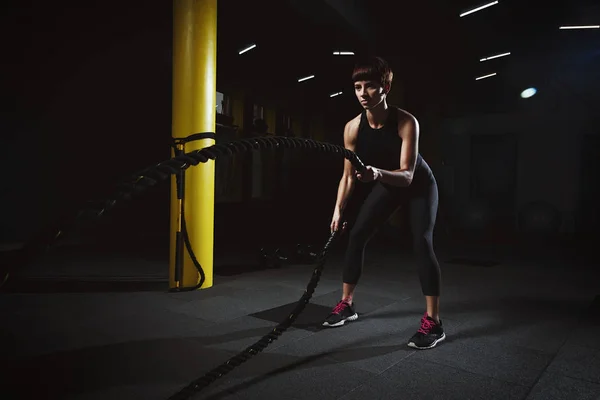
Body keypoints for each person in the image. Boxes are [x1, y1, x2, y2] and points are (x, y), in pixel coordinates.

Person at [322, 56, 445, 350]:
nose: (363, 93)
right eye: (357, 87)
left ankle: (434, 323)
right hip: (388, 184)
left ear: (386, 87)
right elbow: (348, 176)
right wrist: (338, 210)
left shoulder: (405, 122)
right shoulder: (352, 128)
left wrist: (377, 173)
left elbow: (407, 175)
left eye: (371, 86)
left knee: (422, 243)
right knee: (356, 236)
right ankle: (347, 304)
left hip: (418, 186)